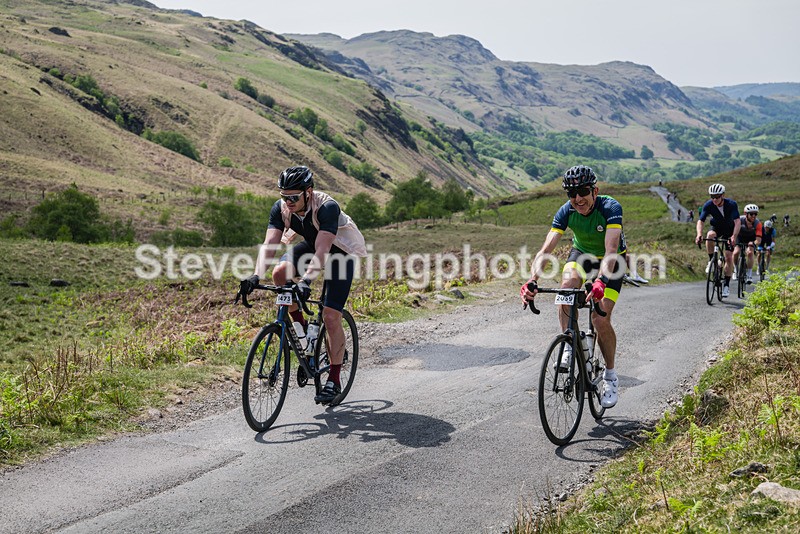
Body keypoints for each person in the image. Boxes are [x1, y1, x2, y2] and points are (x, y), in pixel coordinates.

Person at [240, 165, 367, 404]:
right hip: (312, 245)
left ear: (309, 192)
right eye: (284, 196)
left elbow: (323, 250)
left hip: (340, 252)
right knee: (279, 274)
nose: (288, 201)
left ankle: (335, 379)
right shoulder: (281, 209)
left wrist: (307, 281)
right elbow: (270, 245)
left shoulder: (327, 207)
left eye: (293, 197)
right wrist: (255, 276)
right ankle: (302, 330)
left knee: (330, 317)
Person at [520, 165, 626, 409]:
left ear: (594, 190)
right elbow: (546, 250)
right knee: (567, 287)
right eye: (572, 193)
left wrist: (600, 281)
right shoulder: (566, 211)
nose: (578, 198)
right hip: (581, 255)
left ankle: (610, 376)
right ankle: (569, 343)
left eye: (583, 191)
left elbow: (611, 251)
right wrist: (532, 280)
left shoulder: (610, 207)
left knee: (600, 320)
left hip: (611, 262)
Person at [695, 183, 740, 298]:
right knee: (710, 235)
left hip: (730, 230)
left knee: (728, 257)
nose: (714, 199)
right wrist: (699, 234)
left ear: (723, 195)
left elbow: (737, 222)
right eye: (712, 197)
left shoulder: (731, 204)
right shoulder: (709, 205)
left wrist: (734, 236)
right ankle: (711, 261)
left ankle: (726, 285)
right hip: (717, 228)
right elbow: (701, 221)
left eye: (717, 197)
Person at [732, 204, 762, 284]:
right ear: (746, 214)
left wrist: (753, 243)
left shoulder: (757, 223)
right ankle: (735, 269)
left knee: (750, 252)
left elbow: (758, 240)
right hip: (740, 237)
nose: (753, 216)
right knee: (736, 252)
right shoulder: (740, 220)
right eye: (751, 214)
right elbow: (733, 231)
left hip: (751, 239)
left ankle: (749, 274)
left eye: (755, 214)